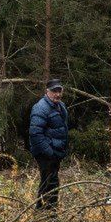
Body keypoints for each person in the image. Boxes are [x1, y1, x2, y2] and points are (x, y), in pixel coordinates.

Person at [27, 79, 70, 208]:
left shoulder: (60, 106)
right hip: (45, 153)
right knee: (50, 182)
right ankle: (49, 213)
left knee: (50, 182)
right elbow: (35, 133)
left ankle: (43, 210)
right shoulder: (40, 108)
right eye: (54, 91)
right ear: (47, 91)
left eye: (59, 91)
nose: (57, 94)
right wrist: (49, 152)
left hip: (55, 151)